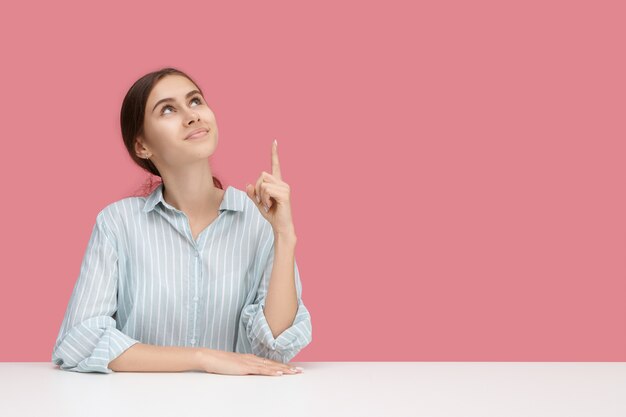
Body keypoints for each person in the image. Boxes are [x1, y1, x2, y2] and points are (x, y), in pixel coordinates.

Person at [51, 67, 312, 376]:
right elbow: (80, 340)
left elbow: (275, 349)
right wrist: (201, 357)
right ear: (142, 146)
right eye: (168, 109)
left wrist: (284, 234)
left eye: (195, 101)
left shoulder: (259, 216)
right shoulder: (117, 223)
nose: (192, 116)